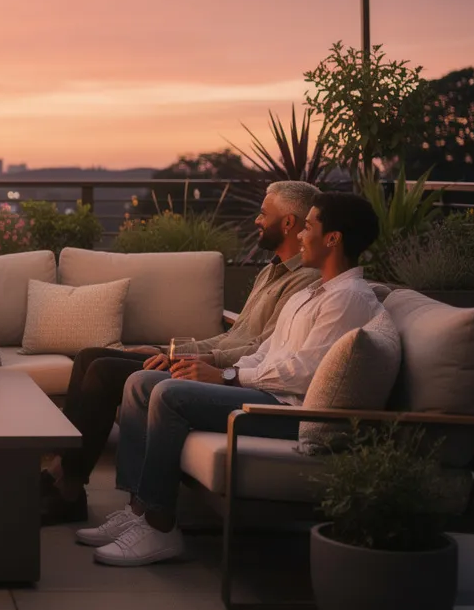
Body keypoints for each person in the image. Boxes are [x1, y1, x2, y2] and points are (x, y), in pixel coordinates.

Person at [77, 191, 383, 567]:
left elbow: (303, 373)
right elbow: (266, 351)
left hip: (290, 413)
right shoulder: (315, 293)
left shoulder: (347, 299)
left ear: (333, 238)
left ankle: (160, 528)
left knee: (170, 395)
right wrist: (222, 371)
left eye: (309, 227)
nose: (302, 236)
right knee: (142, 382)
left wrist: (228, 376)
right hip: (265, 393)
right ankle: (138, 510)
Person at [42, 181, 323, 523]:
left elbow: (259, 349)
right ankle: (63, 474)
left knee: (103, 370)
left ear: (289, 223)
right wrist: (167, 349)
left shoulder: (304, 281)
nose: (256, 221)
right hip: (214, 361)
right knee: (88, 356)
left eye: (264, 214)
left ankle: (68, 487)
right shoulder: (270, 271)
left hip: (230, 375)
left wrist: (192, 359)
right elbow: (232, 335)